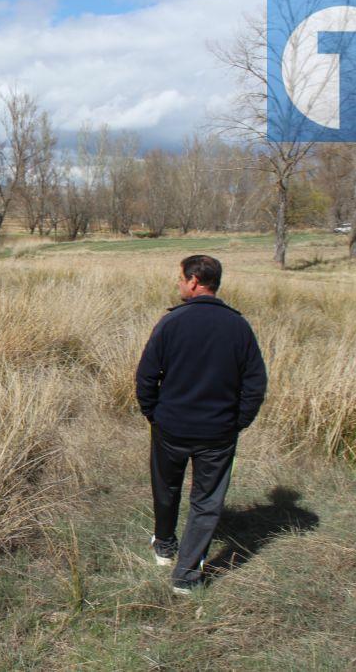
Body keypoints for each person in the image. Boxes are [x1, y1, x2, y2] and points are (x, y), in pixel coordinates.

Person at [135, 255, 267, 595]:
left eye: (179, 277)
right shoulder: (239, 326)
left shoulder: (171, 323)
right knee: (207, 502)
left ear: (194, 281)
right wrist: (237, 422)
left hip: (172, 427)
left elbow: (147, 376)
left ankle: (165, 545)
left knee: (166, 487)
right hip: (217, 432)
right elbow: (255, 383)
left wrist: (154, 413)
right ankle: (186, 577)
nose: (177, 283)